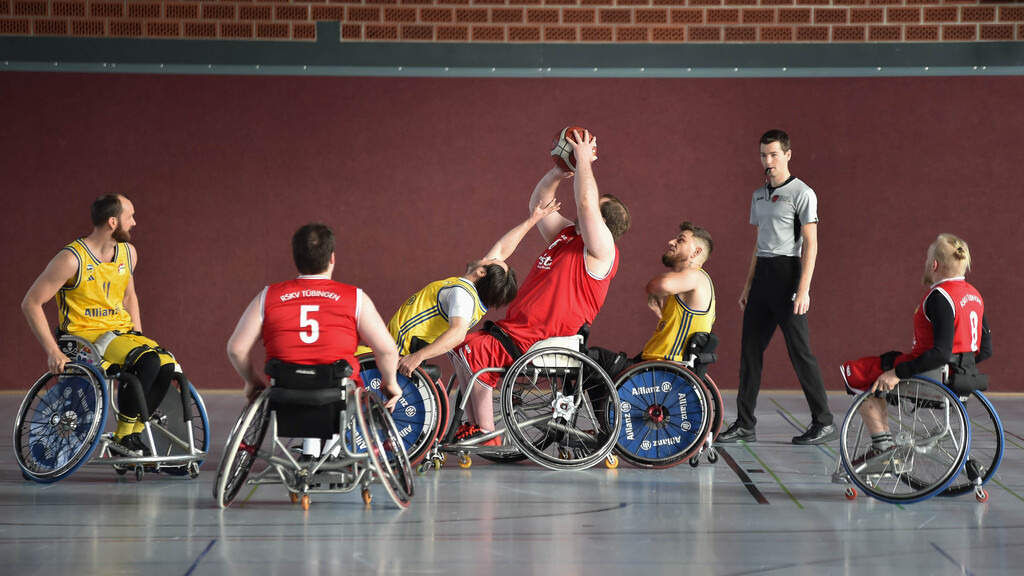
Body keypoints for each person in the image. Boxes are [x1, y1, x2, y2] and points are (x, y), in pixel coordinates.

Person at [450, 129, 631, 442]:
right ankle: (475, 426)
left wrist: (585, 160)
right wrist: (560, 171)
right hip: (517, 330)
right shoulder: (568, 236)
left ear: (603, 224)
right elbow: (539, 202)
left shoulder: (602, 250)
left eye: (590, 209)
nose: (580, 205)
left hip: (540, 337)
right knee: (459, 346)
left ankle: (486, 432)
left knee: (473, 351)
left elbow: (587, 202)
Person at [227, 223, 402, 459]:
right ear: (332, 258)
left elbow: (236, 349)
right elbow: (387, 351)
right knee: (340, 385)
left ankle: (310, 453)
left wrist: (252, 381)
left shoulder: (268, 295)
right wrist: (390, 383)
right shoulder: (354, 298)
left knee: (305, 379)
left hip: (285, 391)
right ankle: (333, 451)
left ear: (296, 258)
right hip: (337, 392)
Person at [22, 194, 179, 455]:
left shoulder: (128, 253)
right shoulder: (72, 259)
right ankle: (123, 437)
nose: (135, 223)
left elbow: (129, 295)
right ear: (113, 222)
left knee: (165, 363)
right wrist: (53, 351)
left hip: (118, 334)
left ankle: (131, 435)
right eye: (131, 216)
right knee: (148, 361)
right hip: (85, 339)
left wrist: (137, 334)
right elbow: (31, 303)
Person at [719, 129, 837, 445]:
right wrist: (747, 286)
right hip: (763, 278)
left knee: (800, 352)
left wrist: (804, 289)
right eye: (763, 155)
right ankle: (745, 423)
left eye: (773, 154)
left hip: (789, 275)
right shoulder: (758, 195)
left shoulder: (802, 193)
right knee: (749, 353)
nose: (768, 160)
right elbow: (760, 245)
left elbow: (811, 243)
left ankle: (823, 421)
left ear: (787, 154)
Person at [839, 234, 991, 464]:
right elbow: (985, 350)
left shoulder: (940, 297)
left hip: (931, 373)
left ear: (934, 265)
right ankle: (883, 444)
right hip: (960, 376)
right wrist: (959, 368)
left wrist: (898, 373)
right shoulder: (974, 295)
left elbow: (940, 352)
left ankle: (882, 448)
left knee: (855, 373)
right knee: (882, 365)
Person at [387, 198, 561, 378]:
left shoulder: (462, 295)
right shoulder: (470, 292)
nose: (488, 257)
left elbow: (458, 334)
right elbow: (502, 249)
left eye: (491, 261)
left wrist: (417, 357)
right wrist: (532, 220)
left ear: (481, 272)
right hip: (392, 346)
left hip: (397, 351)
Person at [587, 221, 716, 376]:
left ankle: (581, 400)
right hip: (653, 364)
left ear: (696, 253)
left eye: (680, 240)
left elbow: (658, 284)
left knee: (594, 358)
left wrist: (654, 291)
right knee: (598, 365)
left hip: (662, 369)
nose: (671, 242)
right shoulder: (692, 282)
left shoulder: (696, 275)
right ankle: (607, 400)